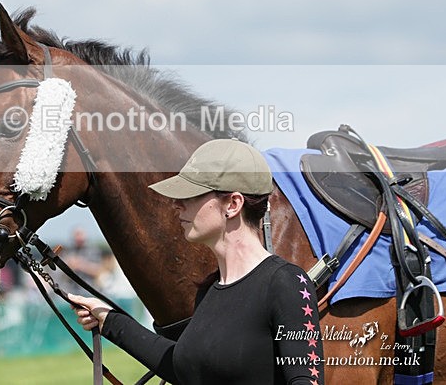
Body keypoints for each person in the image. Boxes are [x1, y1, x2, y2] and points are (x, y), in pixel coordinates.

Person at [69, 139, 326, 384]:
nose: (177, 205)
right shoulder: (209, 290)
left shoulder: (287, 283)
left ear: (233, 204)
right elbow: (184, 369)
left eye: (192, 195)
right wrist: (109, 320)